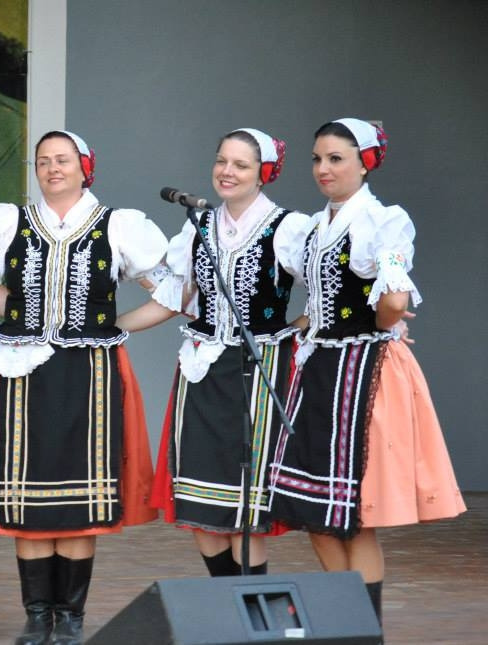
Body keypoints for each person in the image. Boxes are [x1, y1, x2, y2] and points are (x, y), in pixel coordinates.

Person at [0, 131, 166, 645]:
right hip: (22, 373)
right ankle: (36, 614)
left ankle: (70, 617)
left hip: (89, 374)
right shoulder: (10, 225)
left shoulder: (117, 226)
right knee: (26, 498)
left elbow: (172, 288)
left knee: (82, 499)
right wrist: (13, 309)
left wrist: (117, 326)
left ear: (85, 167)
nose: (52, 168)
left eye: (62, 160)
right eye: (43, 161)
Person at [267, 118, 466, 623]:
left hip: (361, 372)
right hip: (320, 368)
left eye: (336, 158)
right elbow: (320, 304)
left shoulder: (382, 221)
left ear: (366, 163)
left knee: (351, 515)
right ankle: (347, 619)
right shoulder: (316, 227)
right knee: (315, 508)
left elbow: (394, 301)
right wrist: (301, 328)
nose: (323, 168)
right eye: (318, 159)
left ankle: (361, 625)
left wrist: (379, 325)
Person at [117, 128, 309, 577]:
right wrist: (110, 327)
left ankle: (250, 601)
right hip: (201, 371)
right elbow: (174, 298)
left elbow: (324, 292)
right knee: (199, 499)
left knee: (245, 509)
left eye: (240, 164)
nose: (227, 171)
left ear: (264, 172)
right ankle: (226, 596)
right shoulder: (198, 226)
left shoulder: (289, 228)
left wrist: (291, 332)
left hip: (259, 372)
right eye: (222, 160)